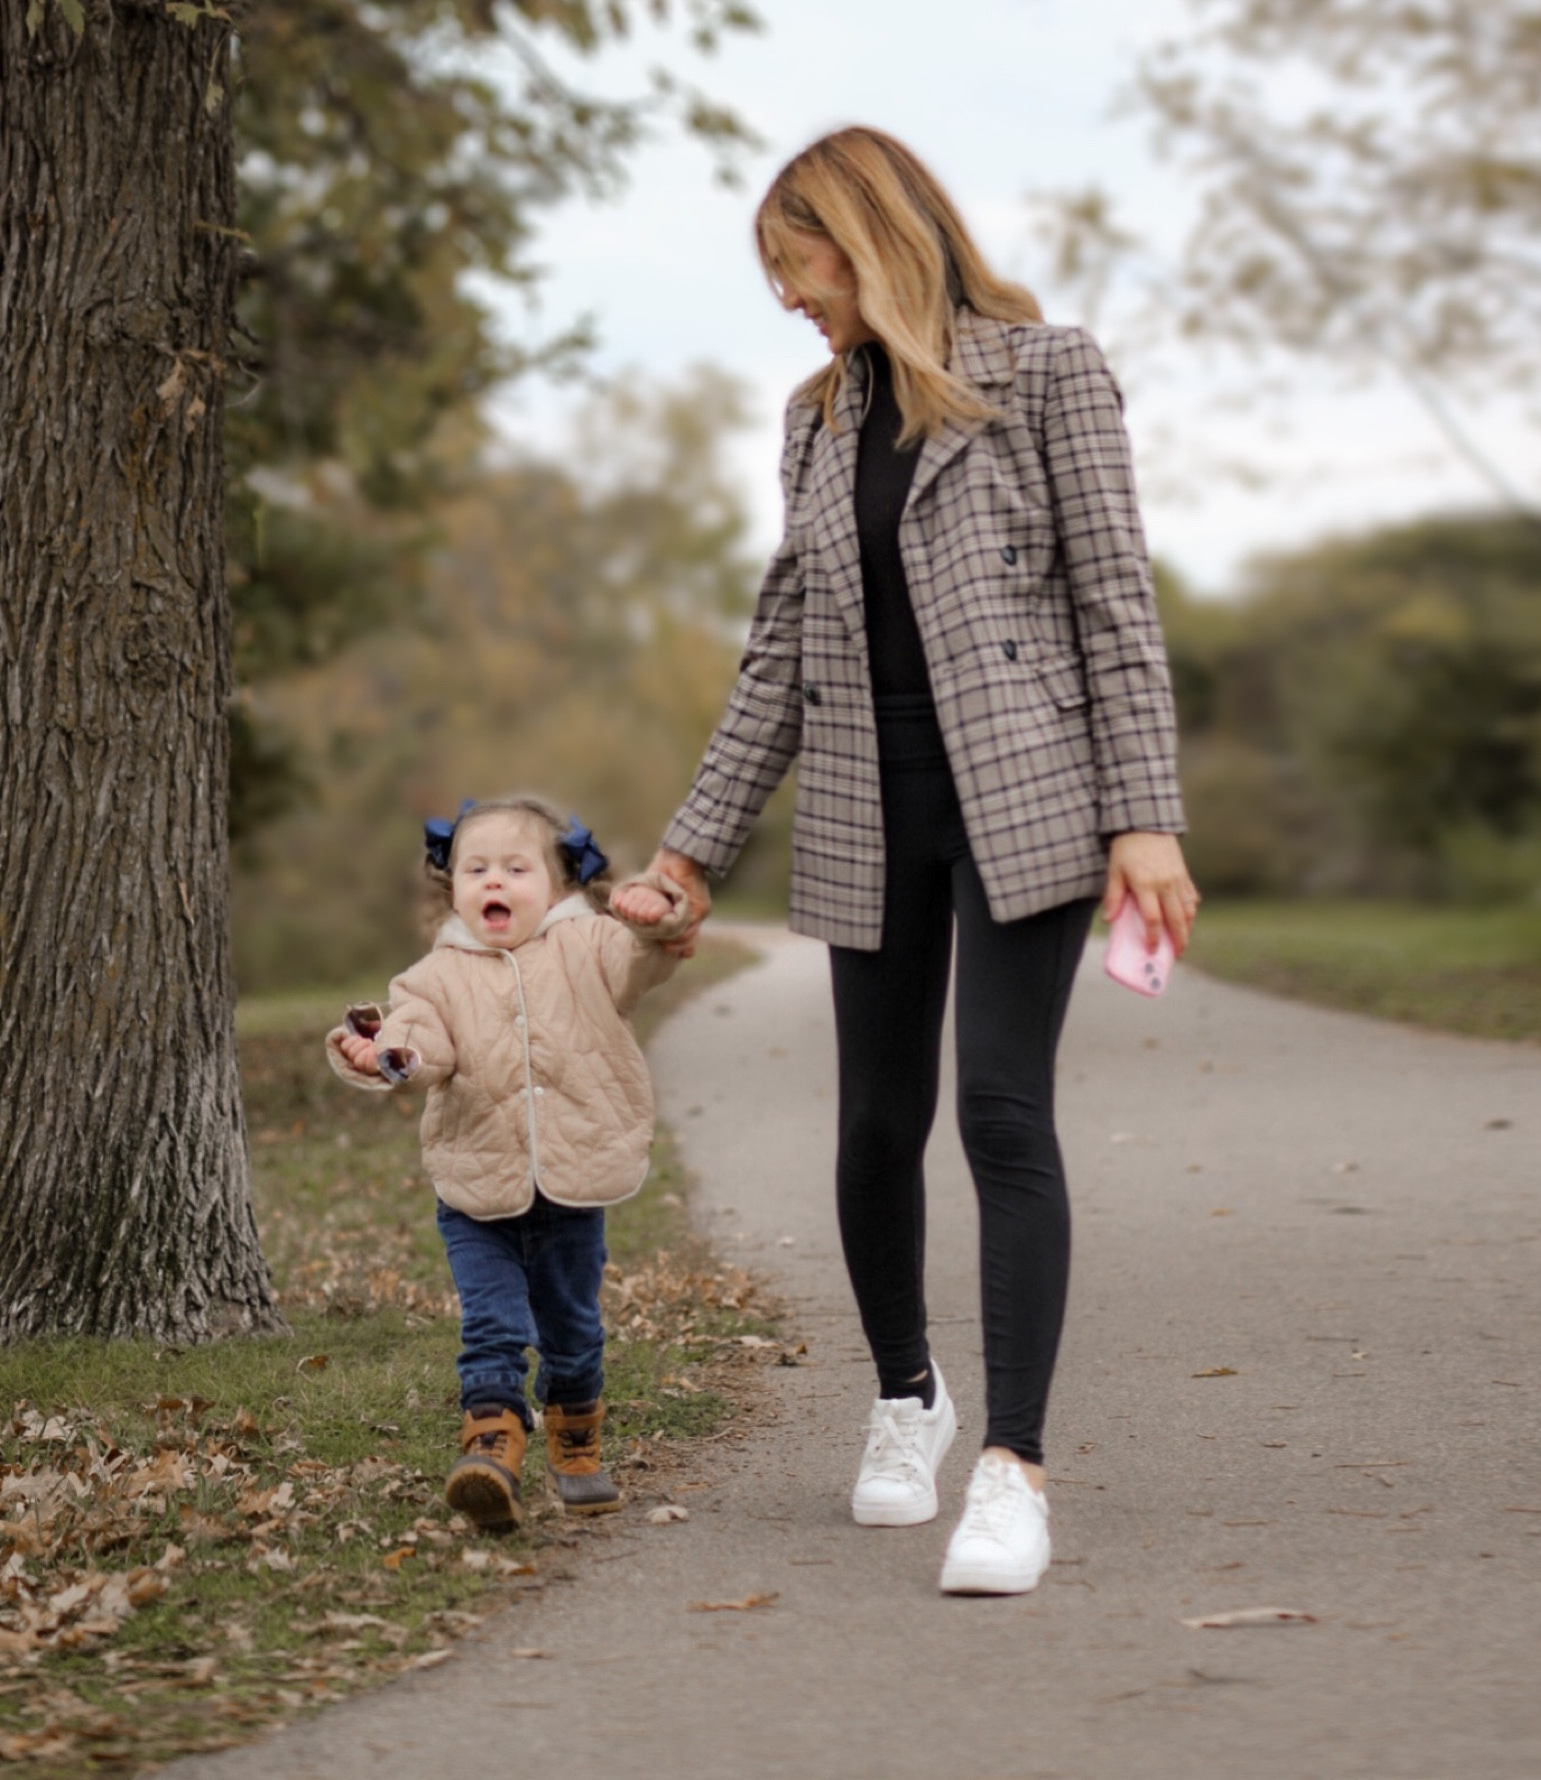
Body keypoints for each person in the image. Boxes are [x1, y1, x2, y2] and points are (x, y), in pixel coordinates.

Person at [619, 126, 1198, 1596]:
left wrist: (1145, 814)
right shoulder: (815, 422)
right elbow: (779, 657)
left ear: (865, 233)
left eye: (791, 263)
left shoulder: (1047, 370)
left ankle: (1014, 1469)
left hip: (1027, 796)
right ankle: (905, 1399)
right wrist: (691, 852)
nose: (784, 298)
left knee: (1002, 1113)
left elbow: (1115, 601)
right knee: (876, 1126)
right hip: (869, 801)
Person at [328, 793, 688, 1531]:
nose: (494, 881)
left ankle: (576, 1444)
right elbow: (421, 1044)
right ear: (452, 886)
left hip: (572, 1182)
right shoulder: (432, 978)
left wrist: (657, 917)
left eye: (515, 868)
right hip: (475, 1191)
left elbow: (642, 959)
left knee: (572, 1330)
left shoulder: (589, 946)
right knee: (491, 1325)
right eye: (476, 868)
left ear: (558, 886)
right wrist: (387, 1054)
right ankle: (491, 1447)